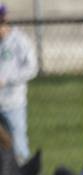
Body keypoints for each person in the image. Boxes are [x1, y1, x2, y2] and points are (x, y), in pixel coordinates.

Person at [0, 3, 37, 163]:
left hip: (13, 103)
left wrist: (7, 80)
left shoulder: (19, 40)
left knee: (19, 147)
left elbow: (32, 68)